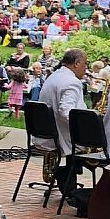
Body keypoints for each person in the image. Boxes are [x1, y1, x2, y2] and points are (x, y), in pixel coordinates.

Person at [37, 48, 90, 201]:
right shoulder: (71, 82)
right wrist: (87, 124)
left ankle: (67, 178)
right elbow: (66, 111)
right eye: (85, 64)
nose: (86, 68)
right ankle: (70, 181)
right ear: (77, 63)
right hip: (62, 136)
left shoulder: (53, 77)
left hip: (48, 133)